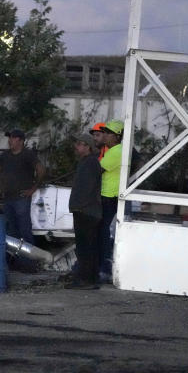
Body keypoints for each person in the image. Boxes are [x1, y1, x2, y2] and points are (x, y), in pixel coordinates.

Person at [0, 129, 44, 270]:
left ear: (20, 140)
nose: (10, 140)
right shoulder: (5, 156)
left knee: (24, 230)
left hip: (21, 198)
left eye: (12, 138)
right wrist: (1, 186)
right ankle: (14, 262)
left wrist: (33, 188)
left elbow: (41, 169)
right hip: (8, 198)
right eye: (10, 138)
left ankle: (29, 263)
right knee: (11, 232)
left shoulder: (28, 155)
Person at [66, 132, 102, 290]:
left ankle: (86, 280)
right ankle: (89, 279)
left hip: (86, 211)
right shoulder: (88, 162)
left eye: (80, 144)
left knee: (85, 247)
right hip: (87, 210)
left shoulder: (90, 163)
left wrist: (78, 206)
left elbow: (87, 188)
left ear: (87, 147)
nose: (76, 146)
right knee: (87, 246)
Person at [97, 119, 124, 282]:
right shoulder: (116, 150)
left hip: (108, 196)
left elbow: (97, 170)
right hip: (110, 195)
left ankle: (104, 268)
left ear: (117, 136)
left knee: (102, 232)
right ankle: (104, 266)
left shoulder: (115, 151)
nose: (105, 135)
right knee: (104, 232)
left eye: (108, 133)